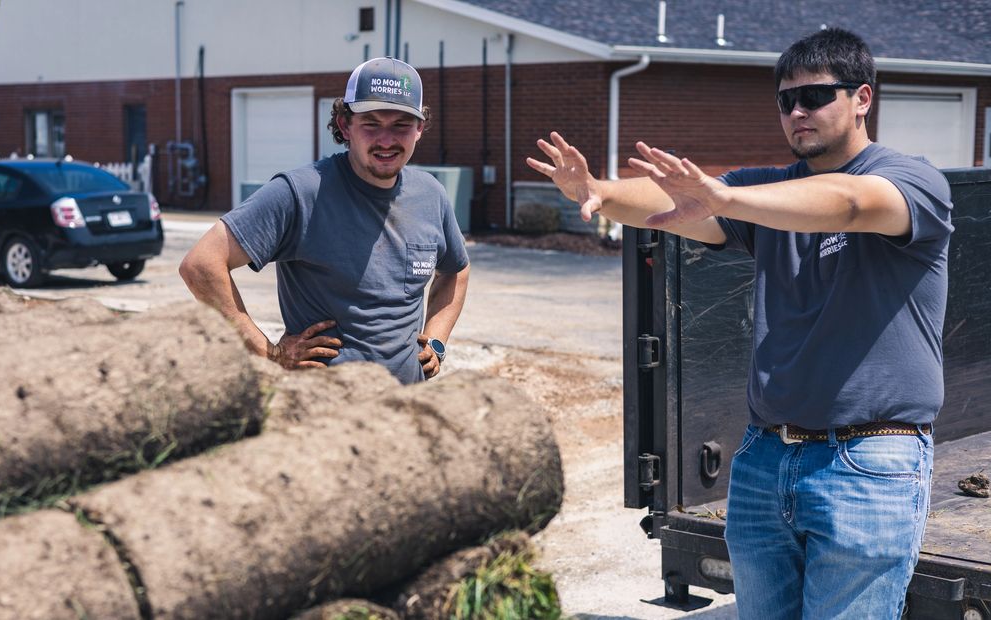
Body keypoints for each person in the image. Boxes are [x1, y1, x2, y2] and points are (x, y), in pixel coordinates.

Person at [528, 28, 952, 618]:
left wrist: (725, 200)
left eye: (815, 97)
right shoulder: (766, 191)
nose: (797, 112)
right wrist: (596, 189)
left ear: (862, 98)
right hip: (765, 459)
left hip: (869, 462)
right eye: (785, 101)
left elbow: (852, 204)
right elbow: (676, 207)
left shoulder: (912, 180)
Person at [180, 57, 470, 384]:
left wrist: (436, 340)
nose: (386, 140)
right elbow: (201, 265)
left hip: (404, 413)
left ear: (419, 128)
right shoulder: (300, 192)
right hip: (323, 414)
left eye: (401, 124)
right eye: (371, 123)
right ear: (345, 125)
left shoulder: (430, 194)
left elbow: (456, 269)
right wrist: (268, 353)